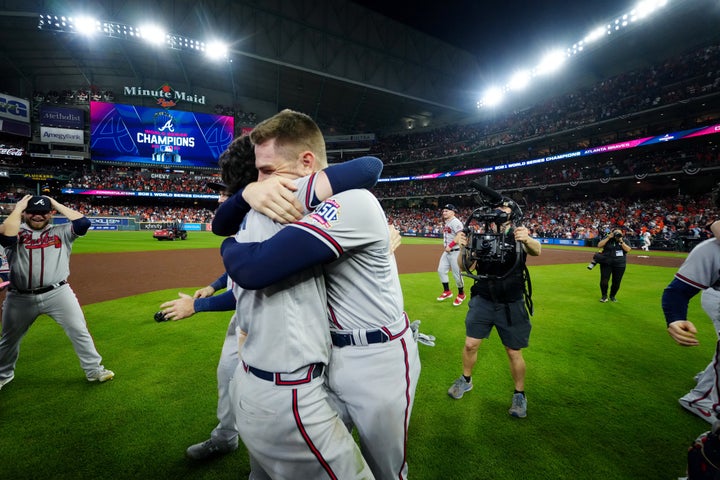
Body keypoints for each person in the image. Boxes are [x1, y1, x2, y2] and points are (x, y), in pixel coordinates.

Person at [220, 160, 421, 477]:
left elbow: (370, 167)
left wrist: (227, 240)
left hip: (379, 356)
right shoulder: (295, 221)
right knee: (330, 455)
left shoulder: (351, 202)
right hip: (326, 357)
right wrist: (248, 195)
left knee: (386, 468)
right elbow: (256, 264)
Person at [213, 109, 383, 479]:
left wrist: (242, 200)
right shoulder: (278, 206)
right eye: (258, 174)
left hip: (257, 383)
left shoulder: (254, 211)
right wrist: (233, 233)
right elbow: (251, 268)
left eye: (267, 171)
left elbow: (369, 167)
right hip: (288, 395)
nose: (263, 181)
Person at [157, 177, 242, 461]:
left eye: (226, 194)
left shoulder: (265, 227)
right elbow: (237, 271)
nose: (219, 200)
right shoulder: (242, 228)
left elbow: (249, 291)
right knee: (227, 376)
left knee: (272, 393)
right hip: (243, 322)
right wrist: (214, 286)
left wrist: (196, 306)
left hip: (270, 324)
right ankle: (225, 438)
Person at [0, 195, 114, 391]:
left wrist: (56, 204)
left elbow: (83, 222)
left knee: (79, 330)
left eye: (43, 212)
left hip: (58, 293)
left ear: (50, 213)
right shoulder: (16, 230)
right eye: (33, 212)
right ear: (25, 213)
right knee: (9, 339)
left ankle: (94, 369)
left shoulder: (62, 231)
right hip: (19, 297)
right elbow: (6, 237)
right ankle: (3, 375)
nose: (38, 216)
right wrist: (18, 208)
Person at [447, 198, 541, 419]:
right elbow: (464, 266)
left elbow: (537, 250)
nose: (499, 213)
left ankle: (520, 393)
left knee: (513, 350)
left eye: (504, 210)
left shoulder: (518, 233)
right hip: (483, 297)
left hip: (511, 301)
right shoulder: (481, 235)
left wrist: (526, 239)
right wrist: (463, 247)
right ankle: (466, 380)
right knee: (470, 344)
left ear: (512, 215)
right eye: (497, 210)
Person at [662, 191, 720, 424]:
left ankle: (708, 378)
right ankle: (701, 399)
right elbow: (677, 291)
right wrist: (675, 318)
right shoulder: (711, 248)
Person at [436, 204, 466, 306]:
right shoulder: (447, 222)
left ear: (453, 212)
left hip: (456, 251)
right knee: (441, 270)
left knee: (456, 275)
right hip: (447, 252)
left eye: (447, 211)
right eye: (444, 211)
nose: (444, 212)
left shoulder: (455, 222)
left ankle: (461, 294)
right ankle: (447, 291)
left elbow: (460, 234)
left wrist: (451, 245)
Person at [596, 228, 631, 302]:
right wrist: (608, 237)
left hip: (619, 264)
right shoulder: (608, 239)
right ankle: (604, 296)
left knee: (616, 282)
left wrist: (621, 241)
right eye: (616, 233)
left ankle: (612, 296)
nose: (617, 234)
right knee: (604, 280)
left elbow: (628, 250)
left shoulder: (625, 240)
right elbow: (599, 245)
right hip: (606, 263)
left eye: (619, 233)